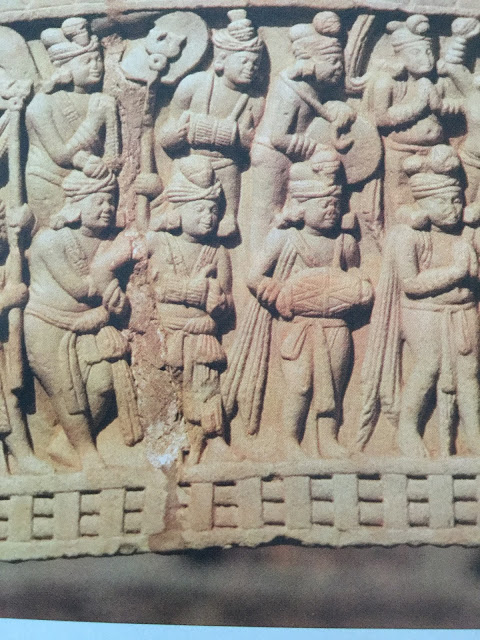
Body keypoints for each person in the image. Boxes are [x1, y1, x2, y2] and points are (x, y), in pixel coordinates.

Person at [226, 147, 372, 459]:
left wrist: (358, 287)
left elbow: (353, 273)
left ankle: (327, 439)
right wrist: (276, 292)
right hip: (298, 326)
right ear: (301, 207)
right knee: (300, 385)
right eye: (324, 204)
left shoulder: (344, 243)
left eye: (336, 204)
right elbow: (254, 275)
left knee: (333, 387)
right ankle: (290, 440)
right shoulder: (284, 238)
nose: (332, 210)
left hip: (336, 326)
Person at [358, 145, 480, 458]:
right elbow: (411, 284)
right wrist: (455, 273)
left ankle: (474, 435)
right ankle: (407, 429)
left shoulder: (463, 236)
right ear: (423, 204)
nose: (452, 209)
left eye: (457, 200)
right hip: (424, 311)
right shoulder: (408, 237)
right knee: (429, 366)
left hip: (463, 312)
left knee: (469, 373)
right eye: (442, 202)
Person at [24, 170, 142, 470]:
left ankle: (66, 444)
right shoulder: (50, 241)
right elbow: (83, 289)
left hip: (88, 325)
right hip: (47, 325)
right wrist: (111, 263)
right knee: (67, 391)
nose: (107, 208)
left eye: (111, 202)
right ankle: (86, 451)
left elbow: (111, 295)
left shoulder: (106, 241)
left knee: (104, 383)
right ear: (77, 205)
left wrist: (109, 306)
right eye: (99, 201)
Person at [147, 156, 237, 465]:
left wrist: (217, 302)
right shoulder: (158, 243)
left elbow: (226, 302)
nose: (208, 217)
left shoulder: (217, 251)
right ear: (179, 210)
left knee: (208, 388)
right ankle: (182, 446)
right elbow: (149, 285)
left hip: (202, 336)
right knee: (176, 391)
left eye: (213, 210)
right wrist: (191, 291)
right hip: (169, 335)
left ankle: (213, 442)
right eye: (200, 210)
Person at [250, 11, 356, 250]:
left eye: (340, 63)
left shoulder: (309, 89)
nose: (339, 69)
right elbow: (278, 137)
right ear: (309, 63)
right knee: (268, 214)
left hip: (290, 156)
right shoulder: (291, 91)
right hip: (272, 158)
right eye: (333, 62)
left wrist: (334, 109)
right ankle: (261, 262)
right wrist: (315, 148)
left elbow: (314, 115)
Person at [158, 10, 265, 239]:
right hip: (189, 161)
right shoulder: (194, 84)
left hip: (226, 163)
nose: (251, 67)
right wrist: (173, 136)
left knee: (229, 171)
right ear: (222, 59)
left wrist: (232, 136)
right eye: (244, 61)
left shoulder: (254, 100)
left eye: (256, 63)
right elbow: (169, 126)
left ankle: (230, 217)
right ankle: (175, 214)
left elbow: (251, 143)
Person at [26, 17, 120, 229]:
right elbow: (61, 155)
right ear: (64, 67)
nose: (96, 67)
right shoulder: (42, 104)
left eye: (98, 59)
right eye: (87, 62)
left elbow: (112, 155)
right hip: (49, 180)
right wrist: (93, 121)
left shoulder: (102, 101)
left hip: (94, 183)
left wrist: (104, 166)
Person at [364, 15, 446, 226]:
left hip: (435, 152)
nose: (426, 58)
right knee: (401, 200)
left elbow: (441, 108)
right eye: (416, 52)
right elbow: (381, 118)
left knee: (442, 202)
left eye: (429, 51)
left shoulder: (429, 81)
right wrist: (419, 103)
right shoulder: (386, 82)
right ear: (400, 56)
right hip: (401, 151)